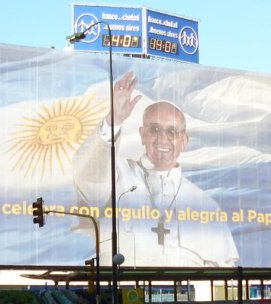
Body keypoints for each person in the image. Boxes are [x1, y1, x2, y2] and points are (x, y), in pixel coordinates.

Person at [73, 70, 239, 267]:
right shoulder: (117, 174)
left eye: (172, 131)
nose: (163, 138)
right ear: (142, 134)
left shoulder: (204, 204)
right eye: (155, 129)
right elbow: (89, 181)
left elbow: (223, 271)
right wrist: (114, 119)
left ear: (184, 141)